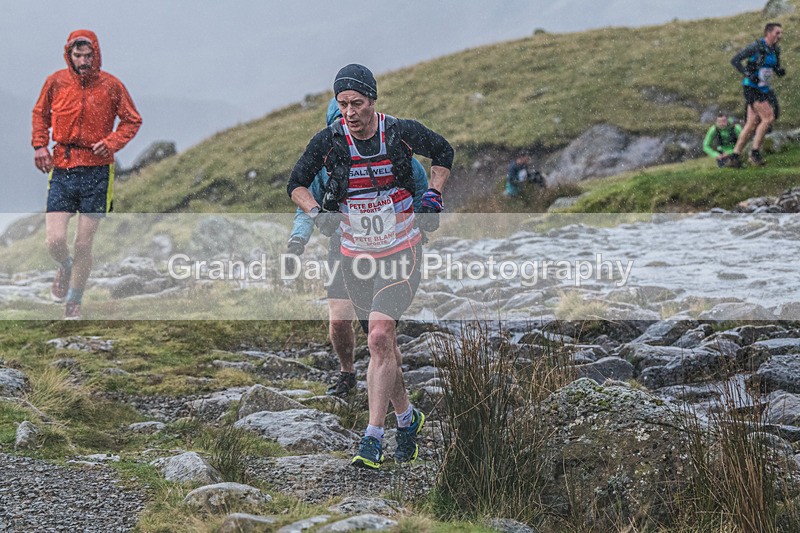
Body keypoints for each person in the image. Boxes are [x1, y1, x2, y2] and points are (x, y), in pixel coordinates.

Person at [287, 64, 454, 469]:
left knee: (380, 335)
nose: (349, 111)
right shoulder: (328, 141)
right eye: (343, 104)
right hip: (355, 256)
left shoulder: (399, 132)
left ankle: (372, 437)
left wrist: (431, 195)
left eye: (357, 103)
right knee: (383, 345)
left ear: (373, 101)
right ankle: (407, 418)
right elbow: (296, 183)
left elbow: (444, 151)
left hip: (401, 250)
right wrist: (317, 213)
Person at [286, 97, 430, 398]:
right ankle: (347, 372)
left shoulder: (389, 149)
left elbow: (416, 179)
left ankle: (395, 390)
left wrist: (418, 220)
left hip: (390, 246)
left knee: (378, 332)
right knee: (339, 318)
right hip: (344, 245)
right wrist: (297, 240)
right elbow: (304, 200)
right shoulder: (323, 161)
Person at [32, 30, 141, 320]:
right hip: (63, 167)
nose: (83, 61)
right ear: (69, 55)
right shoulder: (55, 82)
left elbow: (132, 120)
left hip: (97, 171)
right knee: (54, 240)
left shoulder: (111, 86)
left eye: (88, 55)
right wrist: (40, 145)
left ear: (96, 55)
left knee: (83, 244)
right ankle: (65, 267)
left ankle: (74, 301)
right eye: (77, 55)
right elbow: (40, 114)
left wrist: (112, 142)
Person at [728, 23, 785, 168]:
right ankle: (754, 154)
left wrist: (779, 71)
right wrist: (748, 73)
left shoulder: (775, 50)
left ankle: (734, 157)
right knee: (768, 118)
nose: (780, 36)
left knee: (752, 123)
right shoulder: (756, 47)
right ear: (768, 33)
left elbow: (774, 66)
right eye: (777, 33)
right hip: (751, 87)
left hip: (764, 88)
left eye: (780, 33)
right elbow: (735, 60)